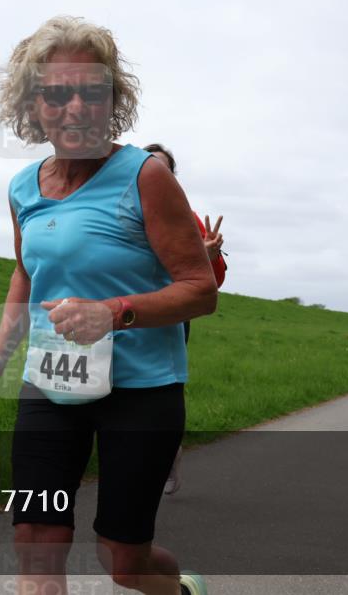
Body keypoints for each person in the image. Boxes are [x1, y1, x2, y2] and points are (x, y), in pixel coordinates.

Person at [0, 16, 217, 595]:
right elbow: (27, 272)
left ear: (112, 100)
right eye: (56, 93)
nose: (75, 108)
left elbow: (200, 289)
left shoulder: (144, 176)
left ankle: (180, 589)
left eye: (91, 92)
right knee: (36, 556)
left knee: (124, 562)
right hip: (50, 387)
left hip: (141, 391)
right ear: (33, 105)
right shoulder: (24, 187)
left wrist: (114, 311)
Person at [144, 144, 226, 496]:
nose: (152, 174)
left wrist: (208, 254)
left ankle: (166, 456)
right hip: (120, 315)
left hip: (170, 315)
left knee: (159, 391)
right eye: (147, 165)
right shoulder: (114, 210)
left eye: (162, 169)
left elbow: (213, 280)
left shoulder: (186, 217)